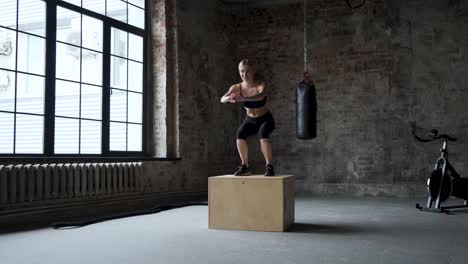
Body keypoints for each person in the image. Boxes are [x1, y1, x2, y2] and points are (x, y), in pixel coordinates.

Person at [220, 59, 276, 176]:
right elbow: (222, 99)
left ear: (253, 71)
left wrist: (244, 98)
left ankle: (269, 167)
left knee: (263, 135)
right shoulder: (237, 87)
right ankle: (245, 166)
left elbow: (260, 96)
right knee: (240, 134)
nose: (244, 74)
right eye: (242, 71)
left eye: (247, 71)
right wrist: (229, 98)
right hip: (250, 119)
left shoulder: (260, 84)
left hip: (265, 119)